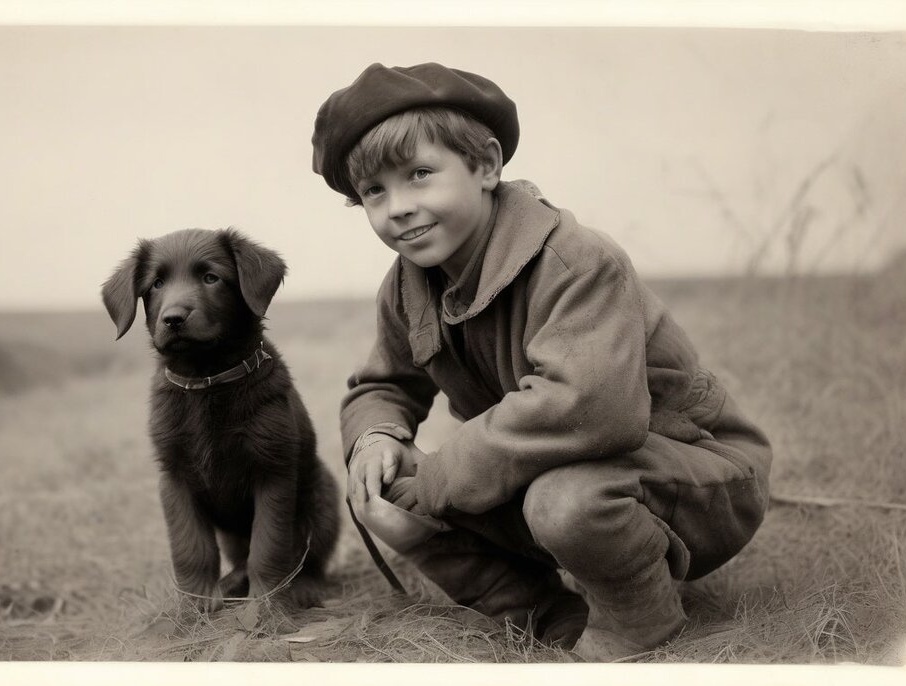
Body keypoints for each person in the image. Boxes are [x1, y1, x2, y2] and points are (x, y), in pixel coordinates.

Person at [310, 62, 773, 661]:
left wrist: (445, 474)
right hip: (556, 474)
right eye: (374, 191)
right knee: (385, 491)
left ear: (486, 166)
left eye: (420, 174)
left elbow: (595, 408)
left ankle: (640, 619)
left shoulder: (575, 260)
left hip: (697, 480)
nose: (397, 207)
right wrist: (376, 437)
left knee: (563, 501)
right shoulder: (407, 287)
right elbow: (383, 383)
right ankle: (536, 608)